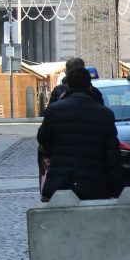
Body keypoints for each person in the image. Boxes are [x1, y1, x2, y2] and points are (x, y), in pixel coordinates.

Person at [36, 67, 124, 201]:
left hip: (61, 183)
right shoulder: (104, 114)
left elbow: (42, 138)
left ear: (68, 85)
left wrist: (48, 153)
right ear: (89, 85)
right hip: (96, 184)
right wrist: (117, 189)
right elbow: (113, 155)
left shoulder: (54, 111)